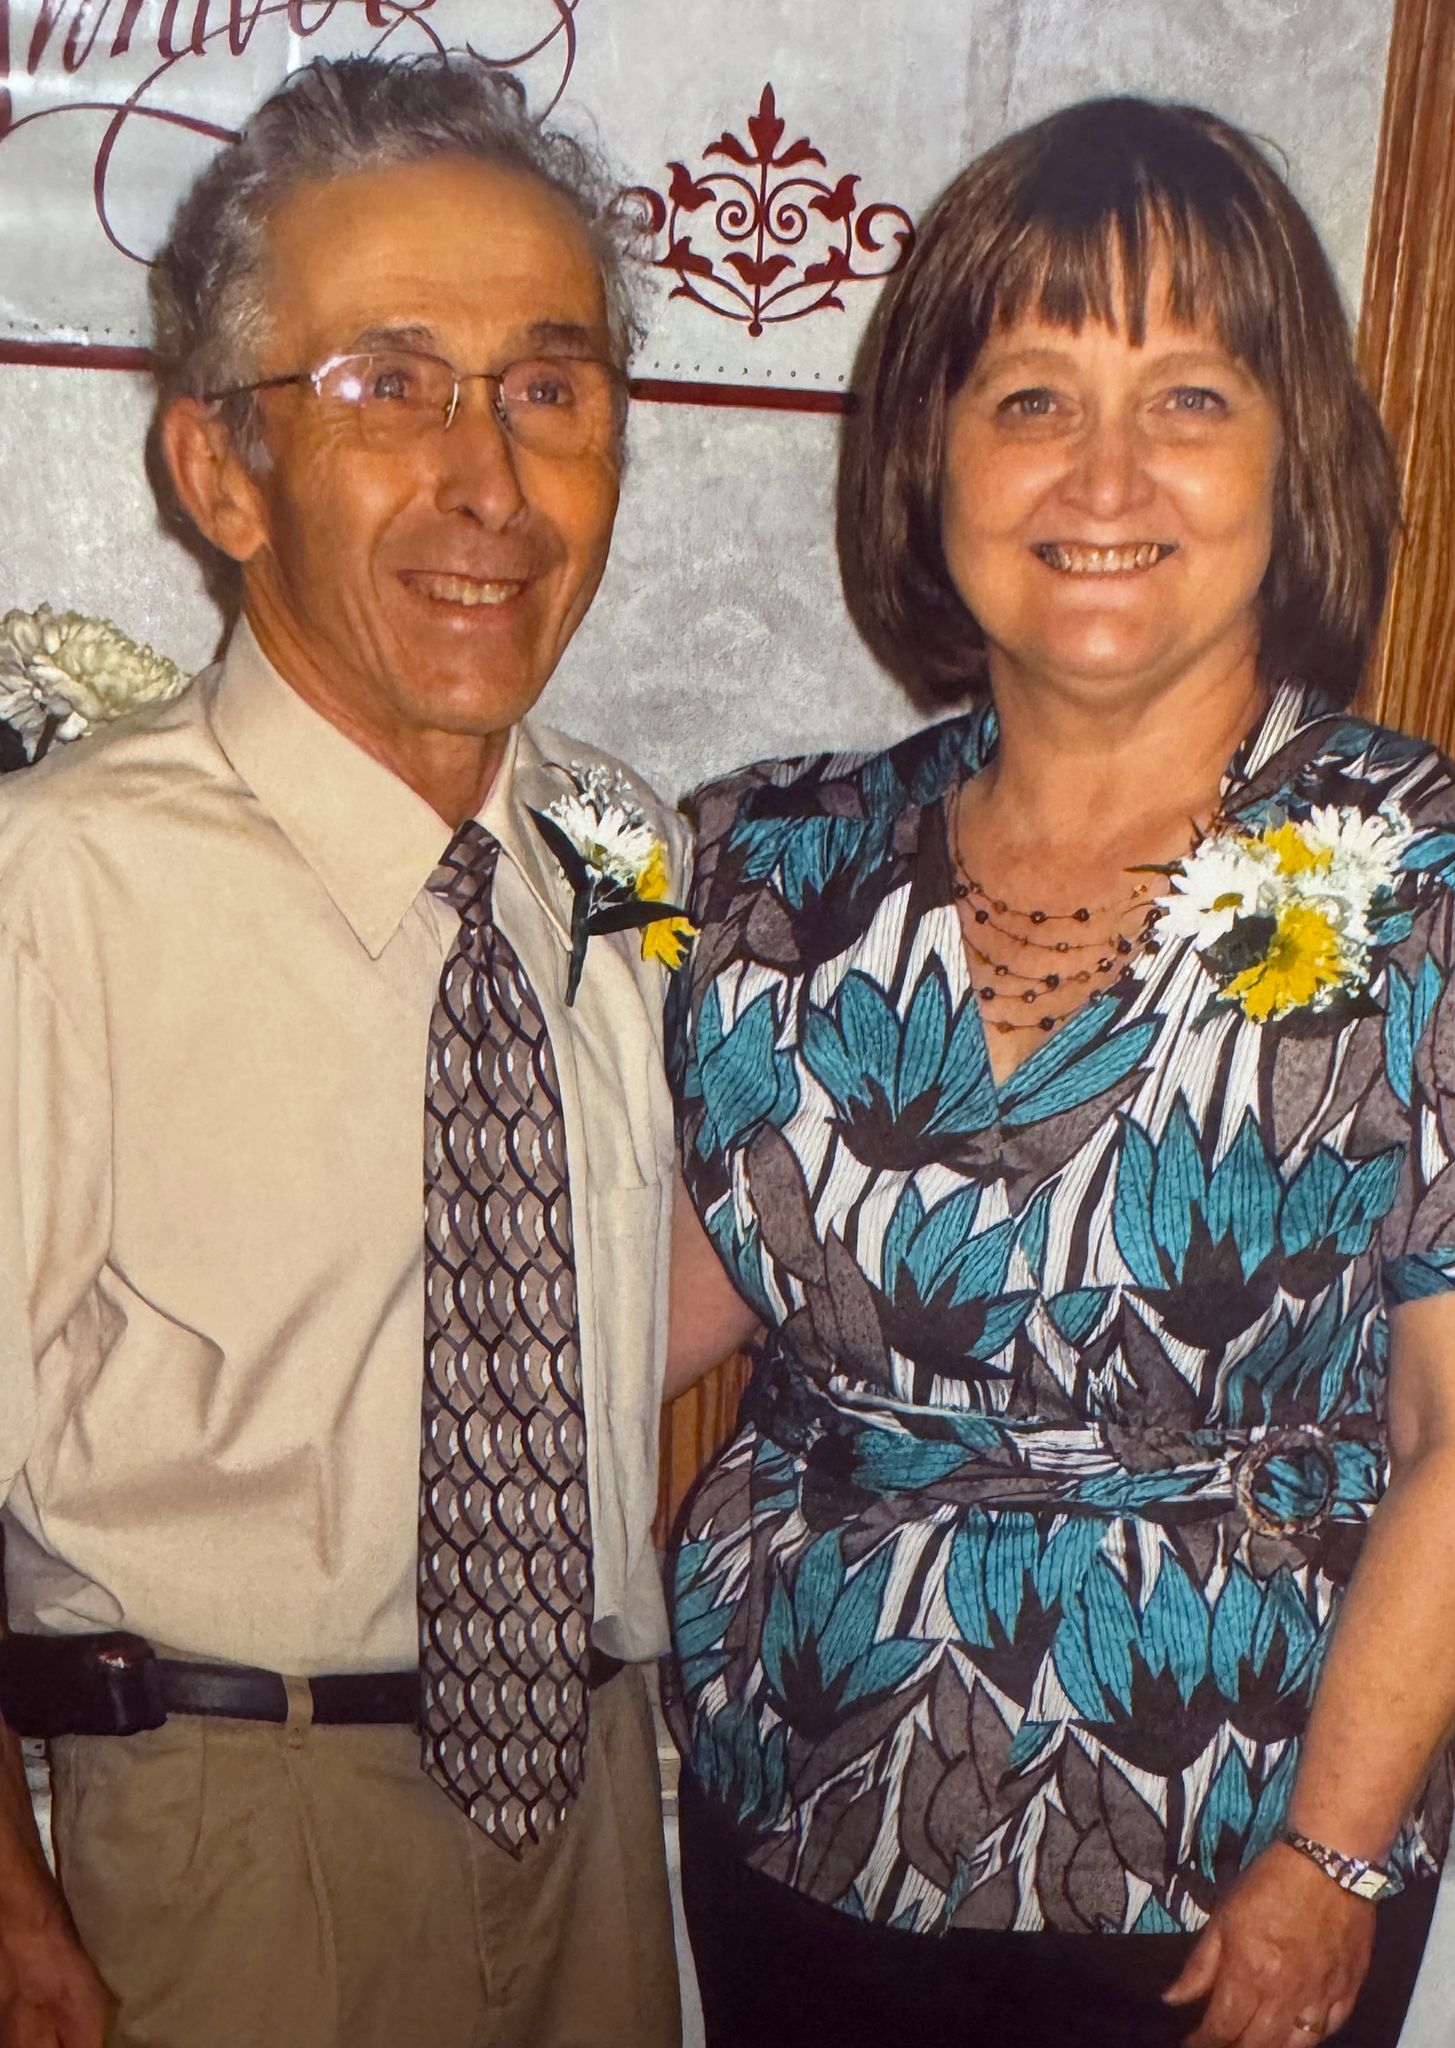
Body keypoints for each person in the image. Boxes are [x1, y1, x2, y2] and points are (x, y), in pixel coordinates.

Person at [664, 94, 1455, 2048]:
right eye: (1034, 397)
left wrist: (1336, 1857)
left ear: (1296, 450)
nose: (1106, 471)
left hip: (1224, 1858)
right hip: (790, 1793)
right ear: (933, 455)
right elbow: (673, 1297)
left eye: (1190, 397)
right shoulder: (762, 864)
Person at [0, 55, 684, 2048]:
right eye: (388, 384)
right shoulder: (58, 887)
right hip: (230, 1832)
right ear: (220, 473)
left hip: (594, 1808)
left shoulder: (613, 849)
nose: (491, 480)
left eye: (548, 388)